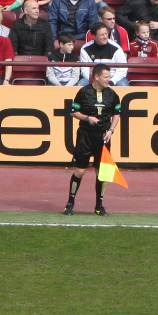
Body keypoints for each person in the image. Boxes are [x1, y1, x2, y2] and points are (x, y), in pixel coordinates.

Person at [61, 63, 121, 216]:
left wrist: (111, 130)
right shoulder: (83, 92)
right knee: (80, 171)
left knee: (101, 172)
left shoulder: (112, 94)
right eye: (106, 77)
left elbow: (116, 114)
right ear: (97, 76)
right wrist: (87, 118)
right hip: (85, 136)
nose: (109, 79)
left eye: (109, 76)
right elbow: (74, 112)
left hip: (103, 138)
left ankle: (99, 206)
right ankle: (70, 203)